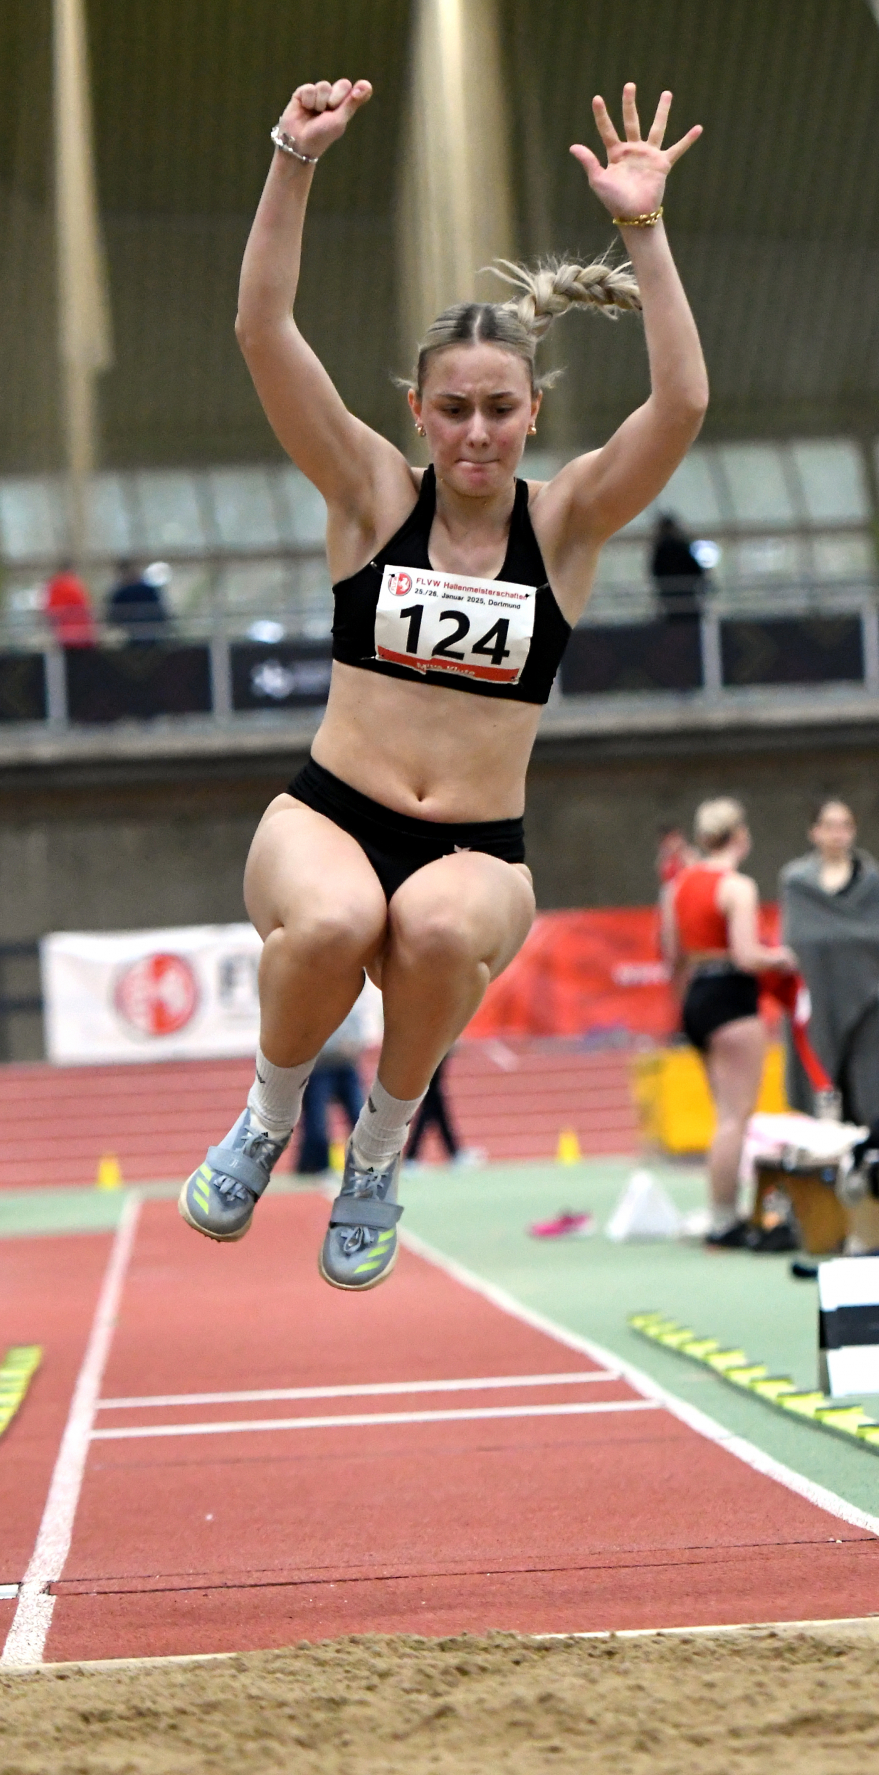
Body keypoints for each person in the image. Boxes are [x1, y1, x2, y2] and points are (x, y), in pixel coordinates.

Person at [179, 74, 707, 1291]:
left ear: (534, 416)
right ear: (418, 413)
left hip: (479, 849)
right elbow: (265, 332)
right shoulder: (371, 496)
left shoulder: (566, 525)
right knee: (337, 920)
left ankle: (376, 1150)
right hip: (327, 815)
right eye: (454, 410)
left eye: (501, 411)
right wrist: (291, 156)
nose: (476, 433)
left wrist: (645, 228)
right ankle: (267, 1119)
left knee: (424, 924)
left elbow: (680, 402)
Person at [661, 798, 796, 1247]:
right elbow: (746, 954)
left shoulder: (678, 885)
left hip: (698, 994)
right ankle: (723, 1216)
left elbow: (672, 955)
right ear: (740, 836)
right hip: (731, 995)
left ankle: (723, 1211)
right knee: (735, 1117)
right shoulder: (737, 887)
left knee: (725, 1115)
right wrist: (784, 957)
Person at [780, 799, 879, 1124]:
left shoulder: (870, 879)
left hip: (862, 992)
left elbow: (873, 937)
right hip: (815, 996)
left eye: (845, 826)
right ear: (814, 832)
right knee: (816, 1075)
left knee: (868, 1078)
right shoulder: (796, 882)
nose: (837, 834)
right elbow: (796, 940)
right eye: (829, 826)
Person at [294, 992, 367, 1174]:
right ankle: (319, 1164)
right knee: (317, 1121)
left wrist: (353, 1047)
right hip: (320, 1068)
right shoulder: (311, 1005)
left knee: (361, 1116)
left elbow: (360, 1035)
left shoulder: (353, 1003)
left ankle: (366, 1163)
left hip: (347, 1067)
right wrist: (334, 1047)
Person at [650, 513, 706, 617]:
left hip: (675, 594)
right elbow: (696, 568)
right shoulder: (679, 545)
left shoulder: (664, 548)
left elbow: (655, 571)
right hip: (682, 593)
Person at [106, 559, 172, 643]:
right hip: (129, 636)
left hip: (151, 634)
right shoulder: (120, 593)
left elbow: (160, 612)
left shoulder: (148, 590)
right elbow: (112, 616)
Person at [42, 567, 96, 647]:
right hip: (81, 633)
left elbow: (51, 611)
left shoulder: (57, 586)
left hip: (68, 633)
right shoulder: (74, 585)